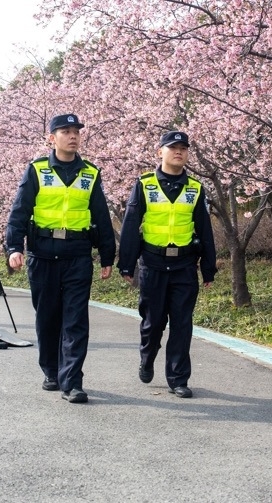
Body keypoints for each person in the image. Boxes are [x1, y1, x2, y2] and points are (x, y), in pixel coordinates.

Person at [6, 113, 116, 404]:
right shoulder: (37, 170)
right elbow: (19, 211)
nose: (72, 136)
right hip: (42, 254)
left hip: (78, 255)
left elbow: (101, 216)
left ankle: (73, 381)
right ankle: (51, 370)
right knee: (47, 317)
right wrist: (14, 247)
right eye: (65, 131)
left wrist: (108, 255)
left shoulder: (90, 173)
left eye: (76, 131)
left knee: (76, 319)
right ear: (51, 138)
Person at [117, 131, 217, 399]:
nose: (179, 152)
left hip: (185, 265)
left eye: (183, 148)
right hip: (153, 265)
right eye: (173, 147)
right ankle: (147, 356)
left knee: (182, 324)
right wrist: (126, 264)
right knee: (153, 323)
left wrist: (208, 268)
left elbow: (205, 230)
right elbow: (130, 225)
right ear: (160, 151)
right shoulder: (145, 184)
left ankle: (178, 378)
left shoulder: (195, 188)